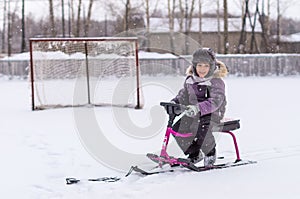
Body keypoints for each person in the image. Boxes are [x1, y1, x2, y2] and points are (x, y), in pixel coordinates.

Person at [171, 47, 228, 167]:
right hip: (193, 112)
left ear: (211, 66)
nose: (202, 69)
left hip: (213, 113)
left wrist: (198, 107)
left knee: (201, 128)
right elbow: (184, 95)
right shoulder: (190, 80)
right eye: (200, 65)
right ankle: (194, 153)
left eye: (206, 66)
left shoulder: (216, 81)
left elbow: (216, 101)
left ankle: (210, 153)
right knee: (177, 129)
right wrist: (175, 103)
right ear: (194, 66)